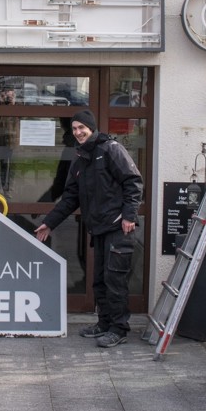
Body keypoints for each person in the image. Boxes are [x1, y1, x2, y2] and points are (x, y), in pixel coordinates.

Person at [34, 109, 143, 348]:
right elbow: (70, 197)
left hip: (118, 228)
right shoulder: (80, 158)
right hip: (99, 229)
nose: (78, 132)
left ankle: (119, 329)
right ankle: (104, 323)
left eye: (81, 128)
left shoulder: (111, 150)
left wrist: (129, 216)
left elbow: (133, 182)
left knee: (115, 281)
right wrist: (49, 222)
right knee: (100, 281)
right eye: (74, 129)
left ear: (91, 128)